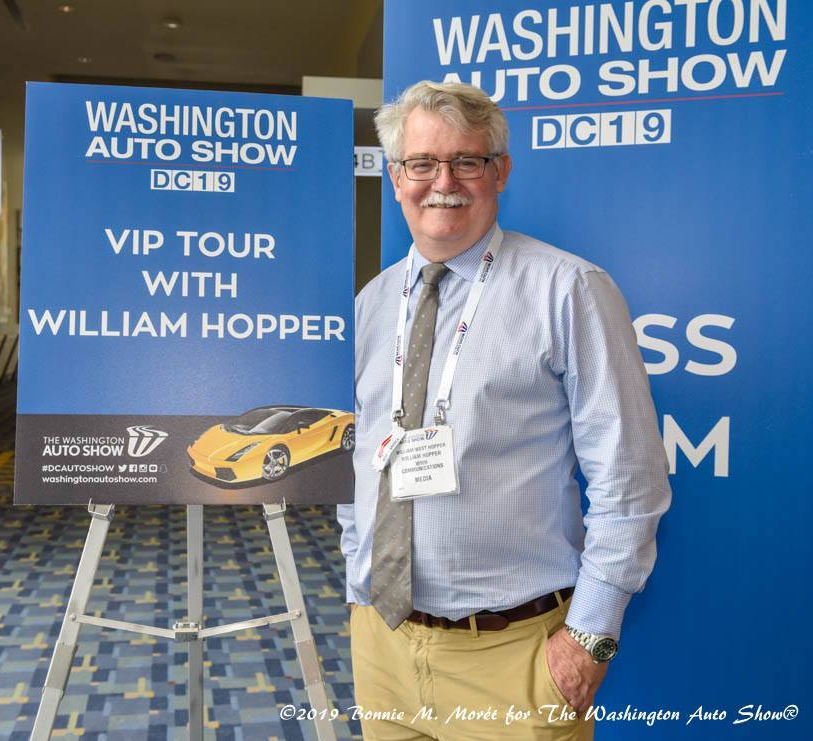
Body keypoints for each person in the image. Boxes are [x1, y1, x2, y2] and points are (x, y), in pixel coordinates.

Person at [337, 80, 671, 740]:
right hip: (383, 645)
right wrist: (358, 578)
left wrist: (589, 639)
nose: (443, 182)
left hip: (512, 657)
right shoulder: (371, 304)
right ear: (396, 176)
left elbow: (629, 481)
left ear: (500, 172)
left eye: (467, 160)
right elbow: (360, 453)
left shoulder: (568, 289)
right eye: (421, 164)